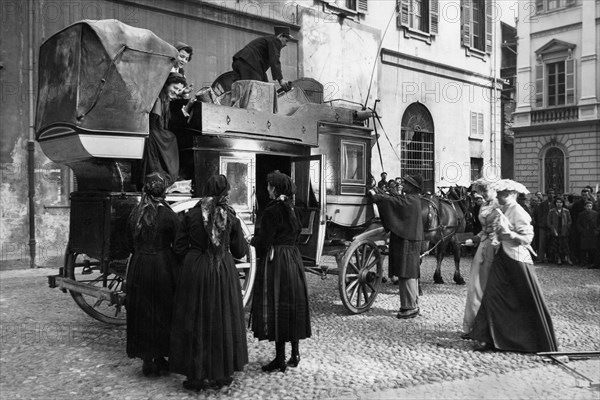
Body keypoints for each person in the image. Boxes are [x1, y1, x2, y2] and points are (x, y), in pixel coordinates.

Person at [170, 175, 249, 391]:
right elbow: (241, 251)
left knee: (195, 319)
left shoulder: (192, 214)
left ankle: (195, 377)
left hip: (195, 270)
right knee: (222, 318)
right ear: (224, 192)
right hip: (222, 270)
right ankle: (221, 375)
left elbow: (178, 247)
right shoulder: (230, 217)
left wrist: (192, 260)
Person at [470, 179, 557, 353]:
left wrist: (508, 233)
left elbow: (527, 238)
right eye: (499, 193)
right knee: (492, 294)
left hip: (517, 260)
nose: (499, 196)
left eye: (502, 194)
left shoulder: (519, 211)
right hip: (502, 257)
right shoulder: (503, 209)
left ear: (512, 195)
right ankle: (485, 337)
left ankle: (531, 339)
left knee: (524, 299)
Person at [250, 171, 311, 373]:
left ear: (274, 189)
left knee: (277, 304)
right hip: (293, 259)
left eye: (269, 186)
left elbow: (265, 242)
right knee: (292, 304)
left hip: (277, 261)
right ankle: (295, 353)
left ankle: (280, 358)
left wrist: (252, 241)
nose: (267, 189)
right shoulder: (293, 208)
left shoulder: (272, 211)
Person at [126, 172, 181, 377]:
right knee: (162, 310)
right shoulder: (168, 215)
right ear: (164, 192)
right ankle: (159, 357)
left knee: (142, 312)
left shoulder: (135, 213)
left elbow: (128, 243)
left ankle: (147, 361)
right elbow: (179, 242)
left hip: (139, 266)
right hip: (161, 267)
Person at [370, 174, 425, 319]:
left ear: (413, 187)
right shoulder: (412, 199)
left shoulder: (411, 200)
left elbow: (393, 202)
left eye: (406, 183)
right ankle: (409, 305)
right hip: (408, 239)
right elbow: (395, 199)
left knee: (407, 273)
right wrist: (382, 193)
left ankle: (410, 307)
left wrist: (377, 197)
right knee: (406, 273)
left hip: (409, 241)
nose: (403, 185)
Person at [461, 180, 499, 338]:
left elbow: (499, 229)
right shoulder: (483, 206)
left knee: (489, 287)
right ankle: (474, 327)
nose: (482, 194)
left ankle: (490, 329)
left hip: (495, 247)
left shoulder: (499, 206)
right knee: (475, 287)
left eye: (485, 191)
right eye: (480, 191)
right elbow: (484, 231)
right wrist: (474, 239)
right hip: (482, 248)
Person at [138, 72, 186, 187]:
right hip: (151, 134)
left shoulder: (165, 100)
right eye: (175, 88)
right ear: (166, 85)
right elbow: (153, 123)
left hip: (154, 132)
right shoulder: (158, 99)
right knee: (171, 138)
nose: (176, 92)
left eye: (179, 90)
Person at [232, 26, 293, 91]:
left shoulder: (269, 40)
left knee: (264, 88)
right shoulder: (275, 40)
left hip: (242, 62)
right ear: (280, 36)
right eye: (286, 41)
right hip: (249, 63)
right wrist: (281, 80)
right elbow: (275, 60)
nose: (285, 44)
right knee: (256, 92)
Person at [547, 197, 573, 265]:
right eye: (557, 202)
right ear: (555, 203)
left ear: (562, 203)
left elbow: (569, 220)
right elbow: (549, 222)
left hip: (564, 229)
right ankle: (558, 259)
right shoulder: (551, 211)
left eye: (560, 202)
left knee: (566, 245)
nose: (559, 204)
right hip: (555, 229)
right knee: (557, 245)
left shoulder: (566, 211)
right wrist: (552, 229)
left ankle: (568, 258)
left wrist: (567, 227)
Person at [534, 189, 555, 263]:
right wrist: (540, 223)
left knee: (551, 242)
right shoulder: (543, 204)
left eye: (552, 193)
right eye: (549, 193)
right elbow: (539, 215)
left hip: (552, 226)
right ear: (547, 195)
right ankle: (541, 258)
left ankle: (551, 258)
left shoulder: (555, 203)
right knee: (542, 242)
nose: (551, 195)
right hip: (543, 225)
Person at [576, 201, 599, 267]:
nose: (589, 208)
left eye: (590, 206)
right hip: (584, 232)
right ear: (585, 207)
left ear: (592, 207)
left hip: (593, 232)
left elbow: (598, 223)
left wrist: (597, 230)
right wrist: (581, 230)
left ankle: (591, 262)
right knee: (583, 248)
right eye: (587, 206)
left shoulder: (596, 214)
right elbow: (578, 223)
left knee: (592, 248)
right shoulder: (581, 214)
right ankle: (583, 261)